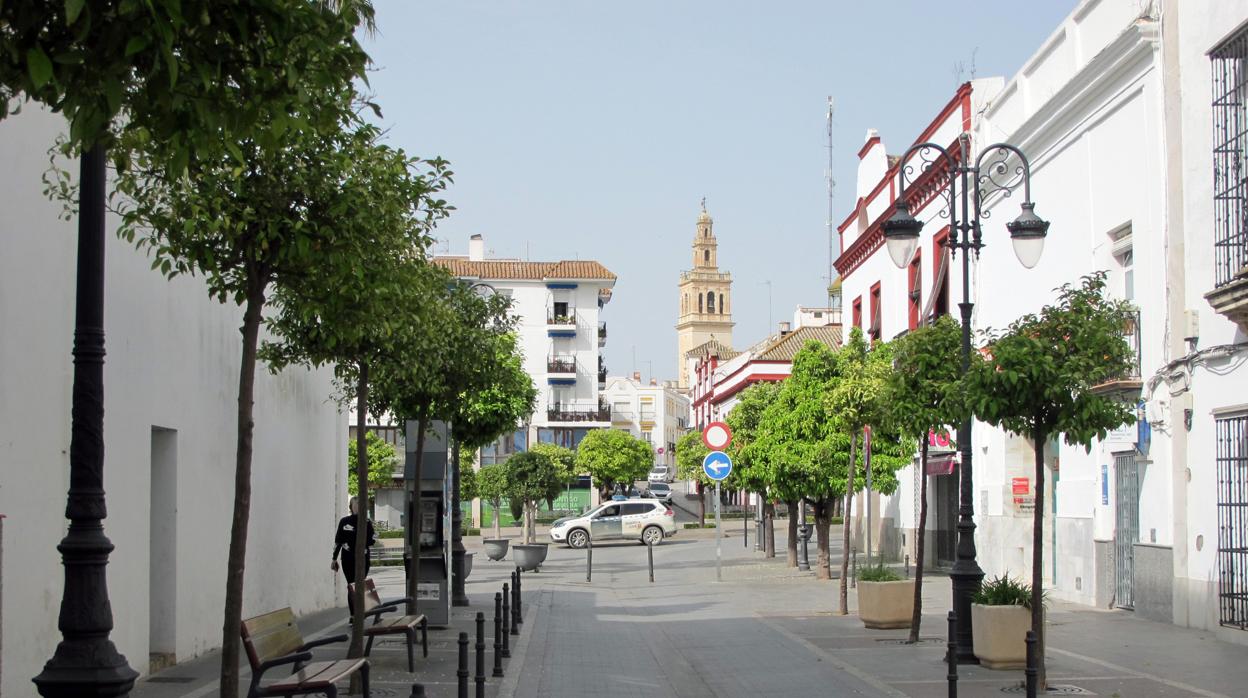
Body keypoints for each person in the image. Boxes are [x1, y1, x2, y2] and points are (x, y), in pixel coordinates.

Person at [331, 496, 376, 616]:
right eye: (354, 505)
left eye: (359, 505)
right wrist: (334, 559)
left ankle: (361, 612)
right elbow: (338, 541)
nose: (356, 507)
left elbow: (373, 539)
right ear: (351, 507)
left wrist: (364, 543)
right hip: (348, 559)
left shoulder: (366, 522)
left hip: (363, 558)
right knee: (351, 586)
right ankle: (353, 615)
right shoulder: (344, 521)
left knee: (360, 585)